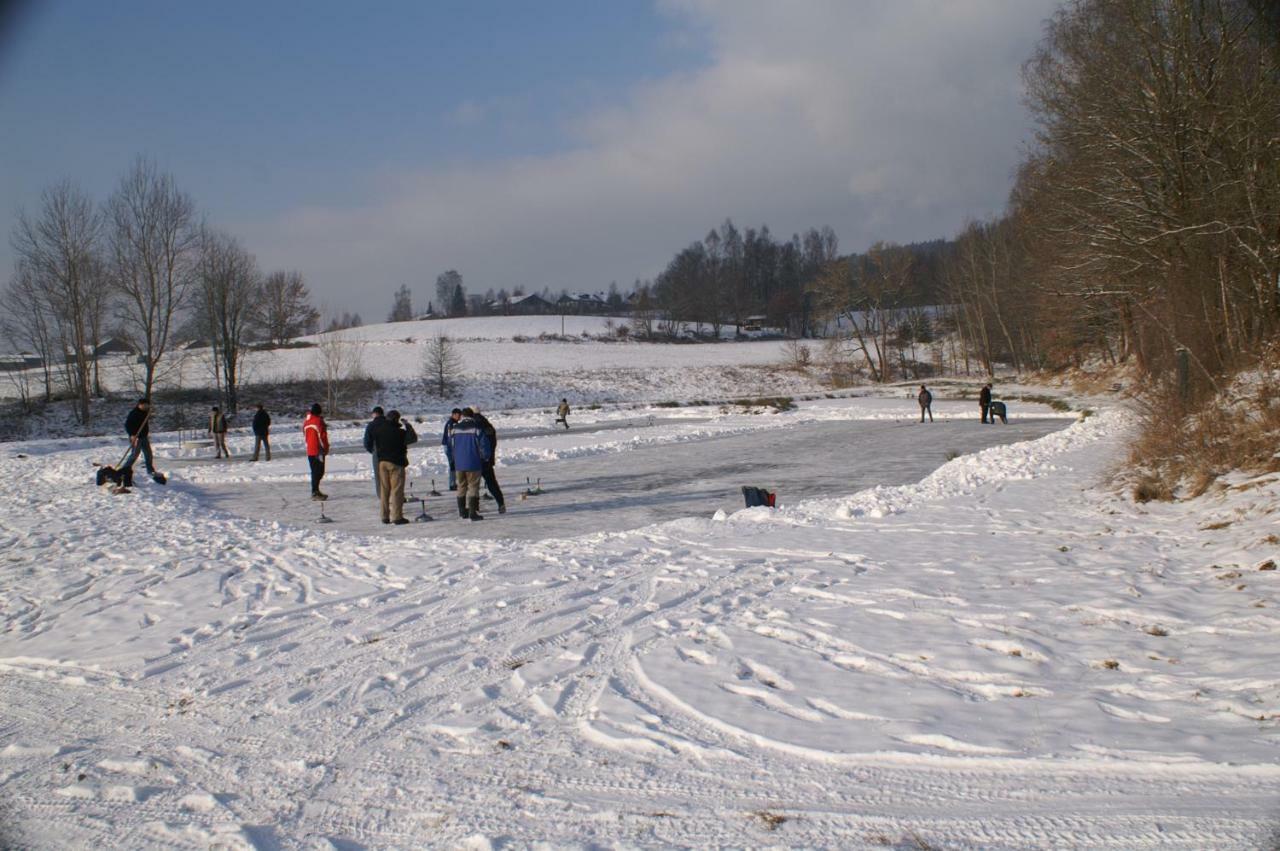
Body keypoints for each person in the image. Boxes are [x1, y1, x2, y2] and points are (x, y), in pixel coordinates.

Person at [371, 409, 418, 524]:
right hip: (396, 464)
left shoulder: (379, 430)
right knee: (397, 490)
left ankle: (384, 516)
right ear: (397, 419)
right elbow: (413, 438)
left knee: (384, 490)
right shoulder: (400, 432)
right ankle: (397, 517)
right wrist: (408, 425)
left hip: (382, 463)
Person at [449, 408, 491, 521]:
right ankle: (473, 512)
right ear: (472, 416)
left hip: (459, 464)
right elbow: (484, 446)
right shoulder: (476, 429)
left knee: (461, 486)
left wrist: (454, 460)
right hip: (473, 463)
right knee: (473, 487)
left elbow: (451, 446)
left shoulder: (454, 429)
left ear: (462, 416)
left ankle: (462, 512)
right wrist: (486, 457)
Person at [470, 406, 506, 514]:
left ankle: (474, 507)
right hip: (488, 460)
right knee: (492, 483)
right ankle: (501, 503)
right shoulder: (488, 424)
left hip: (477, 460)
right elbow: (493, 443)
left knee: (473, 485)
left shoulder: (474, 425)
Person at [122, 398, 156, 477]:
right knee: (135, 454)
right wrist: (132, 435)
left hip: (144, 437)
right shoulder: (134, 413)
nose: (146, 406)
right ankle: (125, 469)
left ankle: (150, 470)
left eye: (147, 405)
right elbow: (127, 425)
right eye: (144, 405)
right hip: (136, 437)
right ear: (139, 405)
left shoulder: (145, 412)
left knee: (148, 454)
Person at [303, 403, 330, 501]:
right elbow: (322, 437)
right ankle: (314, 492)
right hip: (318, 451)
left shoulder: (306, 422)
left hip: (310, 450)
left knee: (315, 471)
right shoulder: (318, 421)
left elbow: (305, 435)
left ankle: (316, 490)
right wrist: (326, 448)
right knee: (319, 472)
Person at [362, 406, 386, 497]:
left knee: (378, 475)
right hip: (389, 452)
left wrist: (372, 450)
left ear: (375, 414)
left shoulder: (371, 425)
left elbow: (367, 442)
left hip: (377, 452)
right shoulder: (388, 423)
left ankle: (381, 495)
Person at [441, 408, 462, 491]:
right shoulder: (451, 424)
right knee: (452, 465)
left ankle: (453, 483)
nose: (459, 417)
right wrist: (452, 449)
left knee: (454, 465)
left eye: (460, 415)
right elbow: (450, 437)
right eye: (458, 415)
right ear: (453, 415)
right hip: (449, 446)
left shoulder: (453, 423)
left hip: (450, 446)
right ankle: (452, 484)